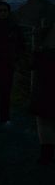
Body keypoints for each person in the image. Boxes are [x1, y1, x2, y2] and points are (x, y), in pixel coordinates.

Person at [32, 20, 55, 164]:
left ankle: (46, 155)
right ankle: (47, 155)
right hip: (46, 84)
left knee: (44, 121)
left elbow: (34, 64)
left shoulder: (42, 49)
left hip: (45, 85)